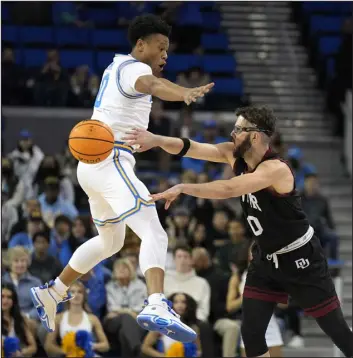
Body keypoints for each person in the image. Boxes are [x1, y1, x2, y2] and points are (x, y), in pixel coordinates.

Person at [30, 14, 213, 343]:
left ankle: (54, 291)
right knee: (154, 233)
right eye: (160, 47)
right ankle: (156, 302)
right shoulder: (135, 69)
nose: (165, 54)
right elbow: (154, 86)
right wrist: (184, 93)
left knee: (111, 241)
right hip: (111, 159)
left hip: (91, 167)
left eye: (167, 49)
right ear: (140, 45)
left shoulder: (114, 68)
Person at [124, 105, 353, 357]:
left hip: (300, 258)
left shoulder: (276, 169)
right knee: (252, 334)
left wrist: (182, 187)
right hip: (265, 258)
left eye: (238, 129)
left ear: (254, 135)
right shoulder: (234, 154)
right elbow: (190, 147)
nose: (232, 133)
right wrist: (156, 140)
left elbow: (229, 189)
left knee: (336, 330)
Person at [228, 243, 283, 357]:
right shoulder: (238, 277)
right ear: (249, 254)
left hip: (270, 327)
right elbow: (230, 306)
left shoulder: (273, 276)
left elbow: (284, 305)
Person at [44, 281, 109, 356]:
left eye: (80, 292)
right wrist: (67, 351)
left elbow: (105, 345)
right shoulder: (59, 318)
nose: (76, 295)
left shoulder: (92, 318)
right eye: (72, 292)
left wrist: (89, 345)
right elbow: (48, 345)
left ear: (84, 296)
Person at [141, 293, 201, 357]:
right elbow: (145, 348)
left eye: (183, 302)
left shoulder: (193, 328)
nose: (180, 305)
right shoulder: (161, 324)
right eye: (176, 302)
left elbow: (199, 350)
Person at [2, 282, 37, 357]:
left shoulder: (19, 318)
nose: (5, 301)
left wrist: (20, 352)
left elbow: (33, 347)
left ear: (13, 301)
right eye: (2, 297)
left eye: (9, 297)